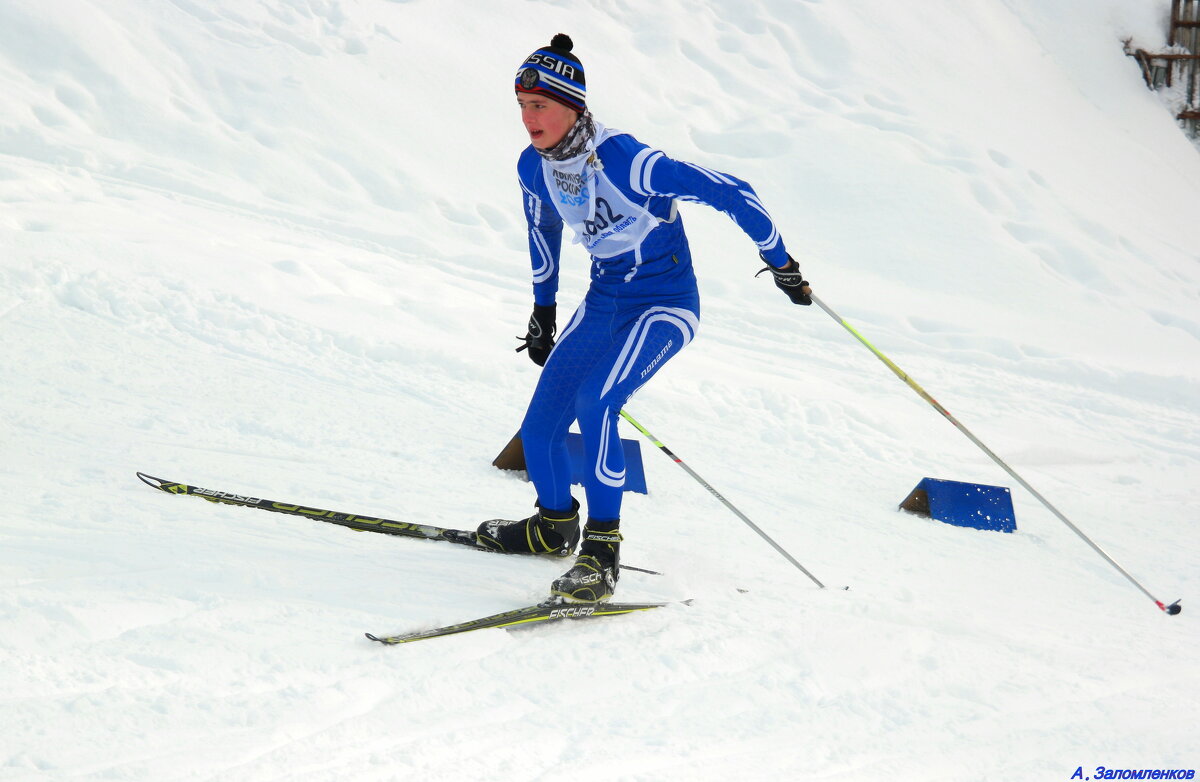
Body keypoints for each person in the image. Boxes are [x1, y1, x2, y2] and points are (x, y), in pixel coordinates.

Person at [476, 34, 812, 602]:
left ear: (572, 106)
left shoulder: (626, 159)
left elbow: (732, 190)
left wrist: (780, 262)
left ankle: (602, 551)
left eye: (541, 105)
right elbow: (543, 232)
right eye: (522, 106)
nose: (529, 118)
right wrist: (542, 311)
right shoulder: (534, 167)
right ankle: (552, 525)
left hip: (665, 305)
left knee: (596, 402)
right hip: (605, 299)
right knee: (540, 427)